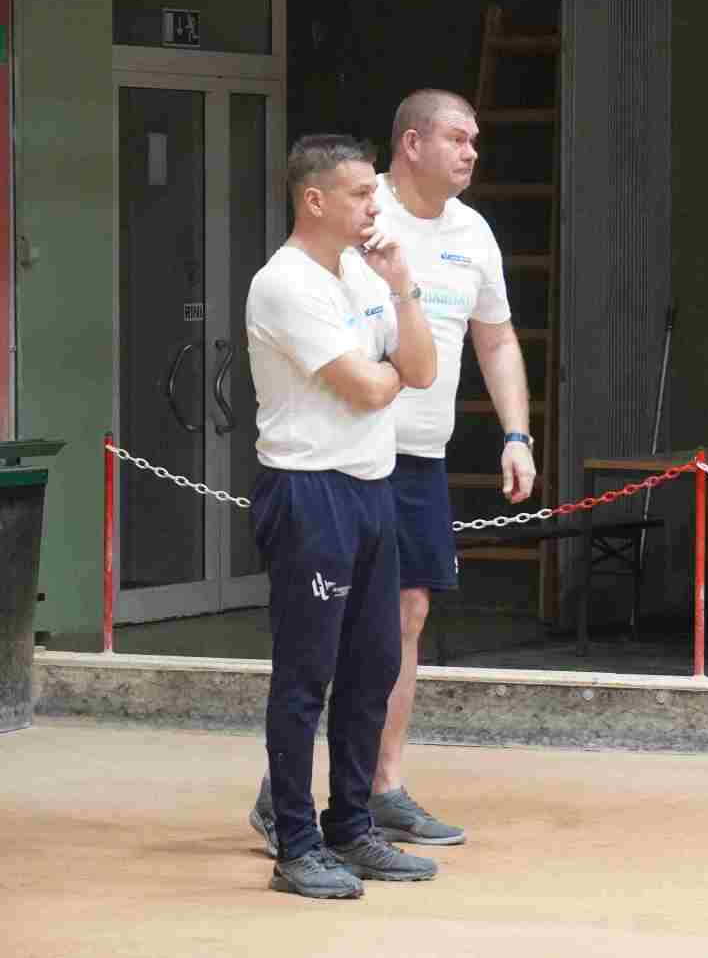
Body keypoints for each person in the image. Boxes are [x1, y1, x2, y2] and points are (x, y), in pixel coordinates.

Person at [250, 90, 535, 856]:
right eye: (457, 138)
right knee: (321, 643)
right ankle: (289, 801)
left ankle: (377, 788)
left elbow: (488, 342)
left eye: (476, 139)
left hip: (412, 458)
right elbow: (364, 371)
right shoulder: (345, 230)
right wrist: (388, 375)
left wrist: (516, 433)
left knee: (398, 623)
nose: (472, 152)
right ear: (412, 143)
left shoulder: (467, 235)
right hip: (329, 467)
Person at [245, 135, 440, 898]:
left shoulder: (365, 273)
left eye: (374, 193)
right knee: (307, 673)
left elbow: (421, 369)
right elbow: (365, 387)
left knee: (374, 664)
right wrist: (389, 375)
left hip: (370, 487)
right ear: (315, 199)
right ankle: (296, 844)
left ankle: (352, 827)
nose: (374, 206)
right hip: (308, 490)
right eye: (361, 193)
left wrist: (403, 286)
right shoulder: (284, 284)